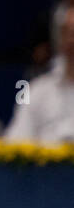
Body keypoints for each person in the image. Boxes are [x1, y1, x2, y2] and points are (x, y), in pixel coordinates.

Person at [5, 10, 74, 143]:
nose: (72, 39)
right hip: (47, 162)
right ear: (59, 38)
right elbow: (16, 140)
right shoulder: (34, 89)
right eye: (67, 32)